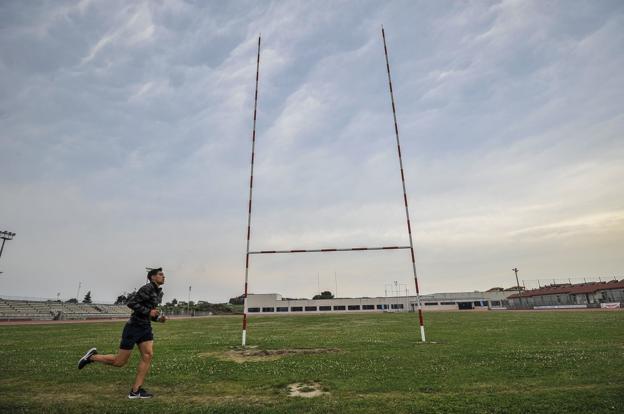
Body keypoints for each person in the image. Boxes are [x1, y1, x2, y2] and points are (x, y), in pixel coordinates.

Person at [77, 267, 166, 399]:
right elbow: (131, 303)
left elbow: (148, 311)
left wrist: (158, 318)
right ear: (152, 277)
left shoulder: (157, 292)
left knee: (148, 355)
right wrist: (149, 312)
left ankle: (135, 391)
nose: (164, 276)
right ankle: (91, 357)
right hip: (134, 327)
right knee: (120, 362)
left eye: (163, 275)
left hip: (145, 327)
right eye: (160, 274)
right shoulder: (146, 288)